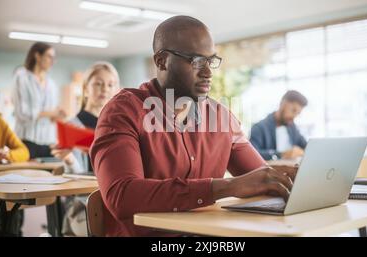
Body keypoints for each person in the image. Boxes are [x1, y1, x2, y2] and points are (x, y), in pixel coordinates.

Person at [90, 16, 297, 237]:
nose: (208, 72)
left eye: (211, 61)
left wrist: (287, 180)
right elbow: (123, 196)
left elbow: (261, 178)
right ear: (161, 61)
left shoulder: (220, 117)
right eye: (196, 60)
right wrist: (226, 187)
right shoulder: (124, 111)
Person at [51, 62, 120, 236]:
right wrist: (69, 160)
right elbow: (77, 180)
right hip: (84, 204)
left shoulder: (119, 125)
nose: (105, 89)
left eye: (110, 85)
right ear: (86, 89)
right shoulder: (73, 127)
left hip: (117, 200)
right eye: (98, 83)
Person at [12, 42, 66, 159]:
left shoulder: (52, 84)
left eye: (54, 58)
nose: (53, 61)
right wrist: (50, 113)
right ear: (37, 56)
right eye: (49, 56)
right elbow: (22, 113)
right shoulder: (22, 77)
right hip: (26, 142)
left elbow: (52, 118)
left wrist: (58, 115)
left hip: (48, 142)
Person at [250, 90, 308, 161]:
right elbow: (252, 154)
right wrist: (282, 154)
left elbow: (307, 146)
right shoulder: (259, 128)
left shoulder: (292, 128)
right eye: (293, 110)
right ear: (282, 103)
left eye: (298, 113)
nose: (294, 116)